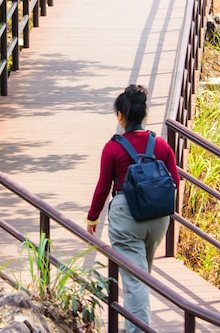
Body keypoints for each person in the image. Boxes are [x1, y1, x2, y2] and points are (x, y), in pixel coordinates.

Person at [85, 84, 181, 333]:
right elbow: (175, 182)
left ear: (120, 116)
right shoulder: (160, 145)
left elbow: (103, 186)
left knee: (135, 280)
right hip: (158, 218)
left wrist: (93, 218)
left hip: (127, 218)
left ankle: (138, 330)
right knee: (141, 276)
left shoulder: (113, 148)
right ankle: (133, 325)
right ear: (144, 114)